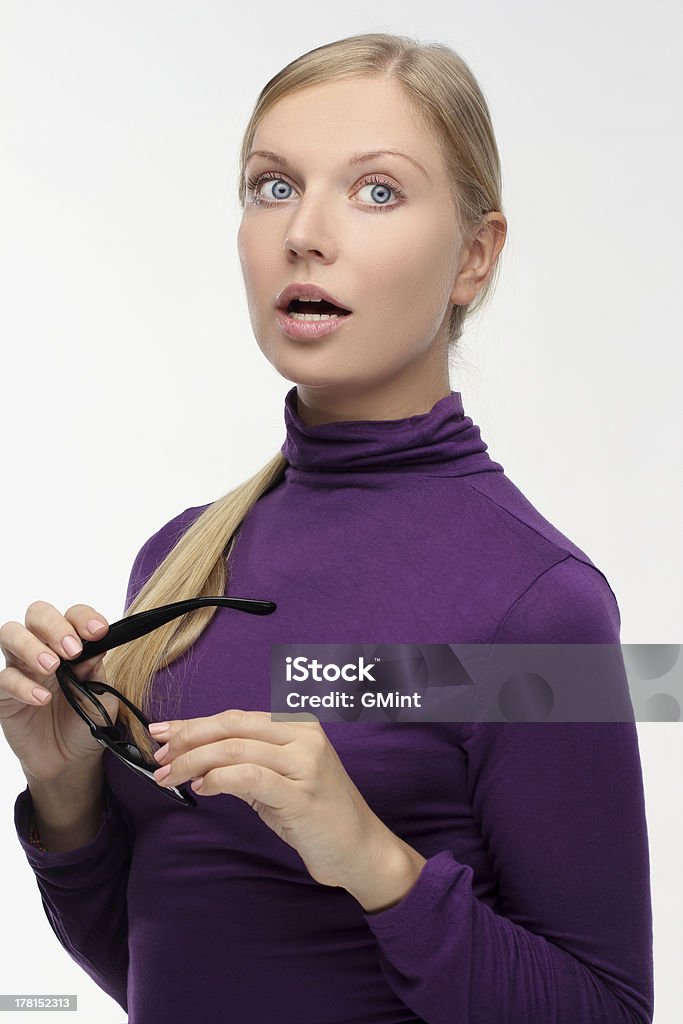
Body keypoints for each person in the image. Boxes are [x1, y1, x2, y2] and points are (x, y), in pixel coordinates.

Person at [1, 31, 653, 1024]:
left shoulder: (537, 604)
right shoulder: (181, 560)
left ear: (473, 257)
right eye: (271, 185)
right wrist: (64, 792)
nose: (304, 231)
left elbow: (606, 1009)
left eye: (375, 191)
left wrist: (373, 862)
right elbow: (167, 969)